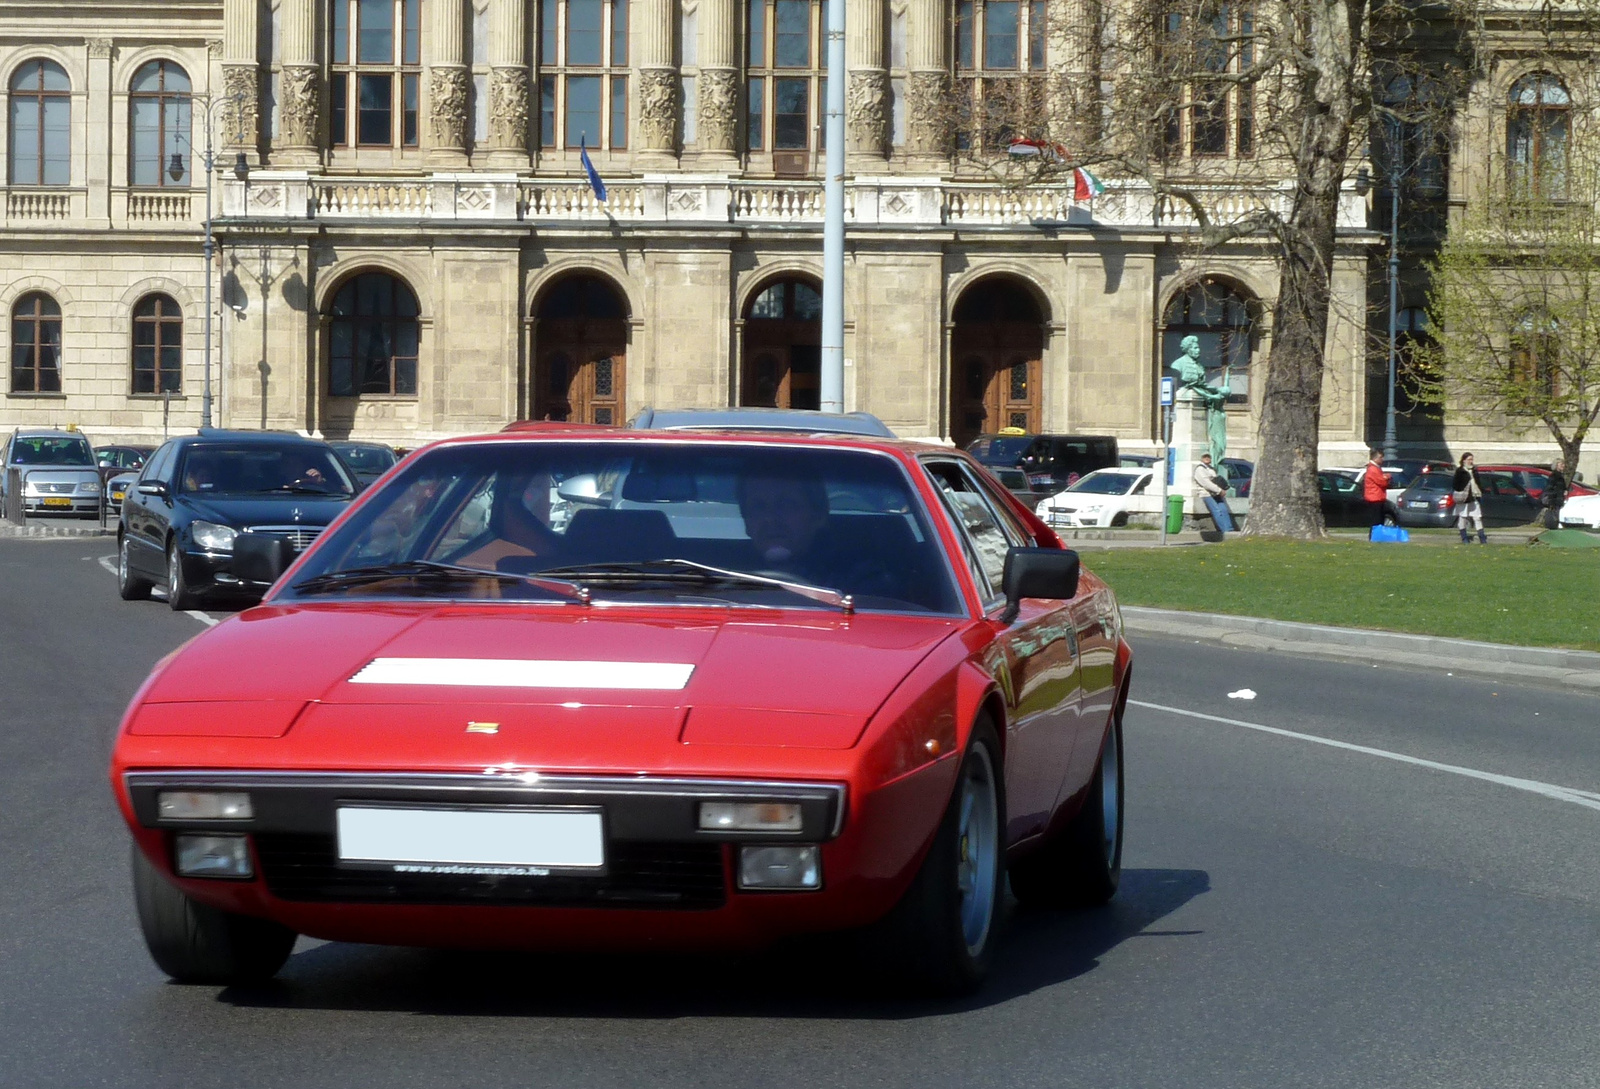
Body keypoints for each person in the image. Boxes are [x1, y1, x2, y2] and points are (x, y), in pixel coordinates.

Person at [1193, 453, 1234, 533]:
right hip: (1207, 494)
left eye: (1209, 457)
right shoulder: (1200, 469)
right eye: (1205, 457)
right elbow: (1206, 483)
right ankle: (1224, 530)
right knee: (1217, 511)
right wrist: (1219, 490)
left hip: (1216, 493)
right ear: (1201, 458)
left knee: (1224, 510)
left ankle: (1229, 529)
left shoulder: (1211, 468)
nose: (1207, 458)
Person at [1452, 453, 1486, 544]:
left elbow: (1478, 483)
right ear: (1464, 460)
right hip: (1464, 498)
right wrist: (1462, 489)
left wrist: (1482, 490)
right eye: (1469, 459)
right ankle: (1464, 538)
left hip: (1474, 497)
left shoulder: (1474, 471)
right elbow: (1456, 485)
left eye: (1472, 459)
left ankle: (1482, 538)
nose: (1471, 461)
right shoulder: (1460, 471)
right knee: (1463, 517)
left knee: (1477, 517)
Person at [1361, 449, 1392, 533]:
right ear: (1375, 458)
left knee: (1379, 519)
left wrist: (1384, 477)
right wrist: (1387, 477)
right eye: (1381, 457)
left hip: (1377, 497)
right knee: (1376, 520)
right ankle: (1374, 536)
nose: (1382, 459)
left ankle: (1378, 535)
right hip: (1374, 498)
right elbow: (1381, 482)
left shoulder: (1376, 468)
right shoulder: (1373, 469)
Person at [1543, 461, 1568, 530]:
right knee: (1555, 514)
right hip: (1555, 499)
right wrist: (1554, 495)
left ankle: (1556, 526)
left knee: (1558, 513)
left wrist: (1564, 490)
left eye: (1563, 464)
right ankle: (1553, 526)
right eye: (1561, 464)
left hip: (1559, 498)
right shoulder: (1554, 476)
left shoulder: (1560, 476)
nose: (1563, 466)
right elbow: (1550, 487)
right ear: (1556, 466)